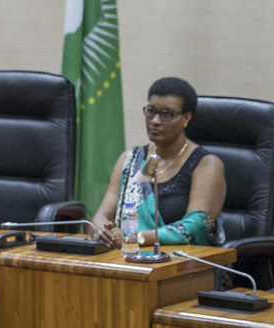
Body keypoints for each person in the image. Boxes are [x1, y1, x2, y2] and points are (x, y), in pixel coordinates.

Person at [91, 77, 226, 249]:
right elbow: (101, 215)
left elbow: (195, 228)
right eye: (151, 111)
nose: (155, 120)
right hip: (126, 260)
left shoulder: (207, 165)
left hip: (184, 265)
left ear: (186, 118)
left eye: (166, 114)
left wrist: (134, 238)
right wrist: (104, 230)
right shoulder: (129, 159)